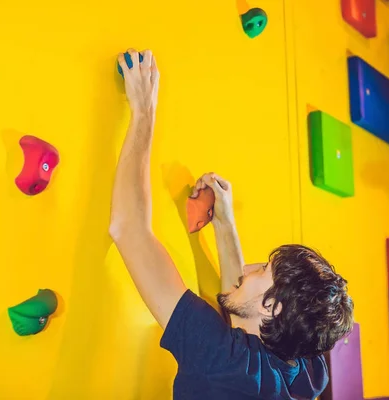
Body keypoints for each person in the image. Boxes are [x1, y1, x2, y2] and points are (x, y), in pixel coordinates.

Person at [109, 49, 354, 400]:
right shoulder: (304, 372)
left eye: (264, 269)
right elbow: (246, 324)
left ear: (273, 307)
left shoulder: (222, 360)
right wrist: (224, 224)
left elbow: (127, 228)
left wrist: (144, 111)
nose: (249, 268)